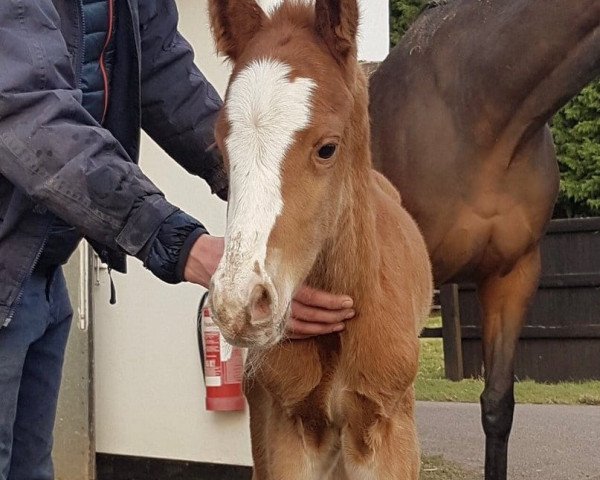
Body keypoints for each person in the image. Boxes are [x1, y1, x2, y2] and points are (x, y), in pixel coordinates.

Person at [0, 1, 355, 479]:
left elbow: (166, 79)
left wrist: (271, 179)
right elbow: (30, 115)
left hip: (41, 271)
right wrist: (183, 244)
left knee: (30, 470)